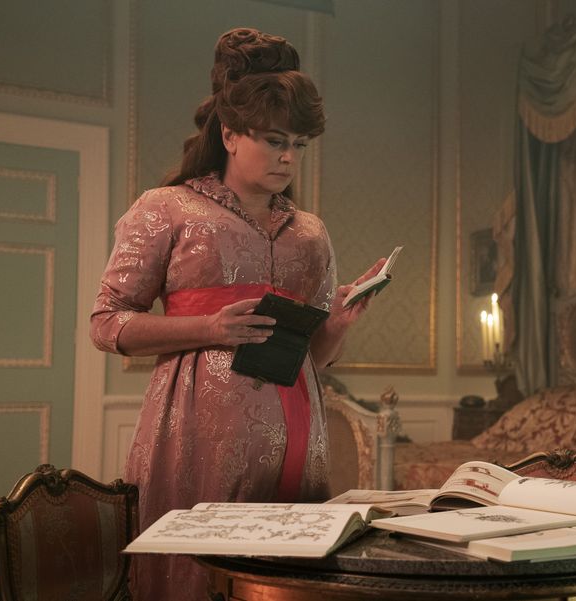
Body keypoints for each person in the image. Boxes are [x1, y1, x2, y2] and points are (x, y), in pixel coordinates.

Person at [90, 27, 384, 601]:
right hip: (197, 433)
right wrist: (210, 327)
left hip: (300, 432)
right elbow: (106, 323)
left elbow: (315, 359)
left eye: (299, 144)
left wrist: (337, 325)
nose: (288, 157)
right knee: (201, 576)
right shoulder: (167, 209)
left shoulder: (310, 232)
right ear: (229, 133)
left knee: (290, 578)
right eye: (275, 140)